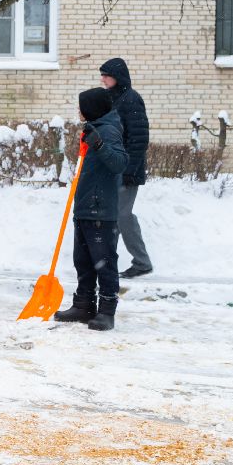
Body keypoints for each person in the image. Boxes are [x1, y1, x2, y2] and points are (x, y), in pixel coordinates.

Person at [54, 87, 129, 331]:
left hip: (101, 209)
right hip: (86, 207)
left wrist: (99, 145)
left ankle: (106, 311)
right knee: (83, 261)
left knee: (104, 262)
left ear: (92, 108)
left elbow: (120, 163)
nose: (78, 111)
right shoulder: (95, 128)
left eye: (81, 106)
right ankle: (84, 305)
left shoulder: (107, 131)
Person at [99, 57, 152, 277]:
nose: (102, 79)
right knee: (112, 215)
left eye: (106, 75)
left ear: (117, 77)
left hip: (127, 169)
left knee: (122, 215)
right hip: (113, 167)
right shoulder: (112, 98)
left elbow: (139, 139)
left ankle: (141, 262)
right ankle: (106, 262)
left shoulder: (131, 99)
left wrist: (129, 169)